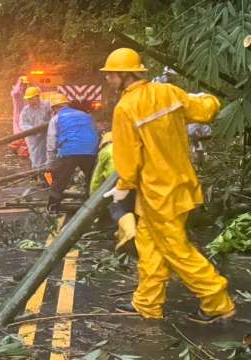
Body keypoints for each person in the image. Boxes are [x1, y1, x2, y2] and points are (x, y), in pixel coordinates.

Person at [100, 48, 235, 323]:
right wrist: (207, 97)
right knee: (149, 244)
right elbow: (207, 109)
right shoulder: (168, 93)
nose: (108, 81)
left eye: (110, 75)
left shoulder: (125, 108)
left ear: (124, 75)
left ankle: (216, 301)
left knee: (176, 249)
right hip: (181, 184)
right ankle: (147, 303)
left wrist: (124, 186)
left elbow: (127, 156)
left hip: (157, 193)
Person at [45, 93, 99, 211]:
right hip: (90, 149)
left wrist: (50, 163)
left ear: (55, 108)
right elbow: (95, 131)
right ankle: (93, 203)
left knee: (60, 179)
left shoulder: (56, 118)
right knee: (91, 177)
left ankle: (52, 206)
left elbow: (51, 142)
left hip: (70, 150)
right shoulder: (86, 115)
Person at [90, 132, 136, 251]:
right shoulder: (131, 147)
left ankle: (130, 233)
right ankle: (122, 236)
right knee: (131, 207)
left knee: (117, 208)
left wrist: (93, 198)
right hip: (136, 183)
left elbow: (97, 179)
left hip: (118, 185)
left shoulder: (105, 152)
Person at [18, 87, 51, 177]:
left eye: (31, 98)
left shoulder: (46, 106)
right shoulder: (26, 110)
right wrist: (33, 130)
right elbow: (22, 124)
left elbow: (53, 117)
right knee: (35, 155)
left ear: (37, 97)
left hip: (46, 135)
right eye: (28, 99)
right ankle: (37, 174)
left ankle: (47, 173)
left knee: (48, 153)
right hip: (33, 138)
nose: (29, 101)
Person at [10, 76, 29, 153]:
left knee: (26, 129)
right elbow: (14, 93)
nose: (25, 86)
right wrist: (19, 82)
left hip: (26, 114)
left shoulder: (26, 93)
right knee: (19, 131)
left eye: (25, 84)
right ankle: (20, 146)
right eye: (23, 84)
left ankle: (25, 146)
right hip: (18, 114)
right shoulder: (16, 92)